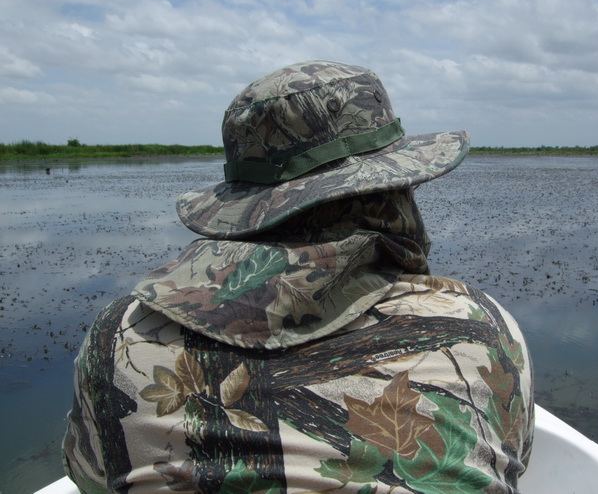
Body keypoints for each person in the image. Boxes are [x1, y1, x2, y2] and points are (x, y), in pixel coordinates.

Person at [63, 61, 534, 493]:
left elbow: (89, 475)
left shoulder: (118, 333)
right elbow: (513, 462)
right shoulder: (477, 326)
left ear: (244, 206)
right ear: (394, 196)